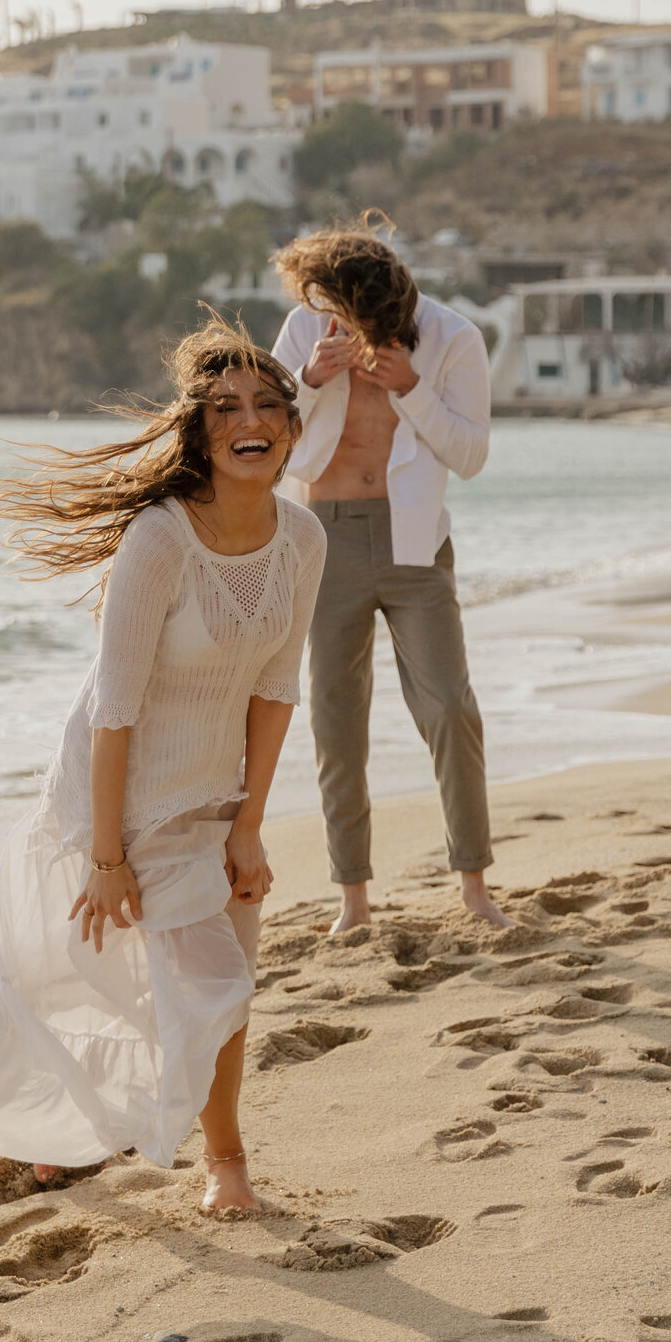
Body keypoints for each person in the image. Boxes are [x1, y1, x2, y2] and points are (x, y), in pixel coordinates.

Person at [0, 321, 325, 1218]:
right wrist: (103, 853)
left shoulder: (305, 540)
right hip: (122, 793)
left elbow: (278, 687)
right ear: (199, 433)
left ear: (292, 426)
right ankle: (224, 1166)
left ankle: (74, 1135)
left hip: (218, 797)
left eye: (268, 406)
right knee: (117, 974)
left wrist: (249, 826)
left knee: (214, 984)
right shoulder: (161, 540)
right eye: (225, 408)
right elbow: (115, 705)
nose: (251, 421)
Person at [270, 220, 503, 937]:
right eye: (330, 308)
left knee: (450, 709)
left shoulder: (451, 336)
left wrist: (410, 389)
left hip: (415, 544)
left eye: (355, 314)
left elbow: (470, 456)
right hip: (325, 537)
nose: (342, 323)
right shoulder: (307, 329)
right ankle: (354, 901)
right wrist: (309, 380)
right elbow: (266, 437)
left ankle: (473, 885)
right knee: (336, 722)